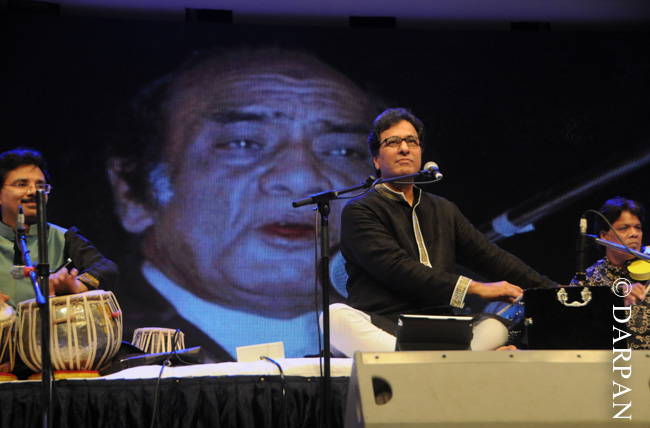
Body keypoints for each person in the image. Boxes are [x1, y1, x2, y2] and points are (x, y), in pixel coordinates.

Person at [107, 47, 383, 360]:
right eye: (243, 143)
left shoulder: (402, 333)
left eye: (344, 151)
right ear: (132, 193)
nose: (302, 178)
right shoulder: (94, 344)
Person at [327, 108, 556, 356]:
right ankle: (447, 359)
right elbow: (397, 269)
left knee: (498, 324)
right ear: (376, 159)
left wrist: (554, 290)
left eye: (412, 142)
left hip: (444, 330)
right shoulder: (360, 210)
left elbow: (491, 257)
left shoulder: (443, 209)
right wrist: (476, 288)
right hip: (386, 325)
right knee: (334, 317)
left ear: (420, 152)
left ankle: (426, 360)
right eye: (393, 142)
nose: (404, 149)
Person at [0, 148, 119, 373]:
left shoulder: (63, 237)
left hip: (50, 357)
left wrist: (77, 285)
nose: (33, 192)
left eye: (40, 185)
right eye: (21, 184)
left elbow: (107, 268)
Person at [571, 197, 649, 349]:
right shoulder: (588, 279)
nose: (634, 234)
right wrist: (615, 301)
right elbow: (576, 329)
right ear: (604, 235)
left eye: (638, 227)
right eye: (624, 228)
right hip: (613, 360)